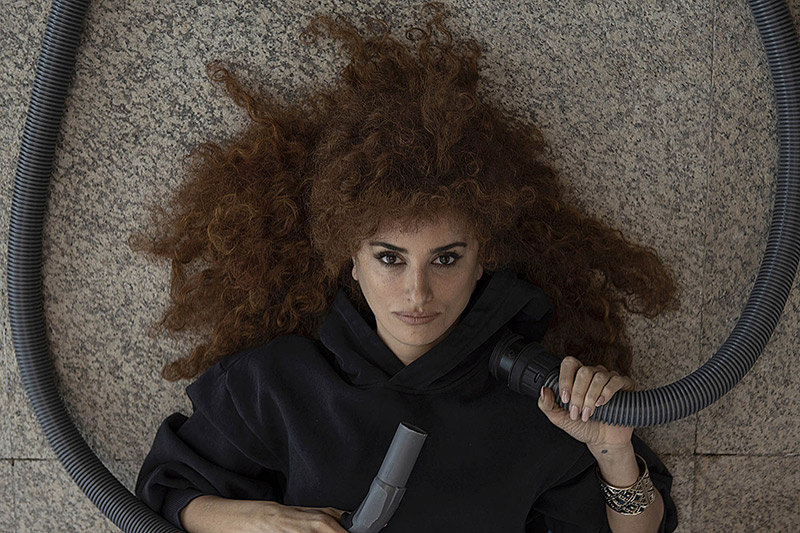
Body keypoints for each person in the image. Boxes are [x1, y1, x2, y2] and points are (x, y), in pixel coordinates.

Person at [131, 2, 681, 531]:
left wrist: (613, 451)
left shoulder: (541, 405)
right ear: (351, 257)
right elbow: (165, 496)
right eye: (390, 258)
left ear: (484, 257)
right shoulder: (276, 386)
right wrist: (263, 520)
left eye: (446, 258)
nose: (417, 292)